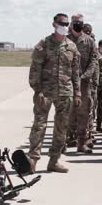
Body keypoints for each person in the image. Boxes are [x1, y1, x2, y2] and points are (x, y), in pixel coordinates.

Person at [28, 13, 81, 173]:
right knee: (39, 125)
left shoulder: (72, 46)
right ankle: (33, 160)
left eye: (67, 24)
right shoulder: (44, 44)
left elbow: (75, 72)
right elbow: (35, 70)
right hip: (45, 92)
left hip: (65, 92)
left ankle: (54, 160)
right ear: (54, 24)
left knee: (61, 127)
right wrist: (37, 91)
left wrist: (78, 93)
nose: (64, 26)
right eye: (61, 23)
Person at [66, 14, 98, 153]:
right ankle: (64, 141)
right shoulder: (65, 40)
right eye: (75, 22)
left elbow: (94, 60)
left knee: (84, 113)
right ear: (71, 24)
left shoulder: (89, 41)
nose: (78, 24)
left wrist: (84, 76)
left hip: (84, 83)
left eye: (80, 22)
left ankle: (81, 142)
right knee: (66, 112)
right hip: (67, 82)